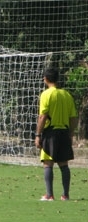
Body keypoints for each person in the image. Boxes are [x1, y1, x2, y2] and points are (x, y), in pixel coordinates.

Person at [35, 67, 78, 201]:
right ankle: (65, 195)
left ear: (46, 79)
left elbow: (43, 116)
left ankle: (49, 195)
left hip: (51, 132)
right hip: (64, 132)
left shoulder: (46, 94)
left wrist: (38, 134)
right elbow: (73, 118)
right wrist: (71, 133)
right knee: (64, 164)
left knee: (48, 163)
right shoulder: (67, 95)